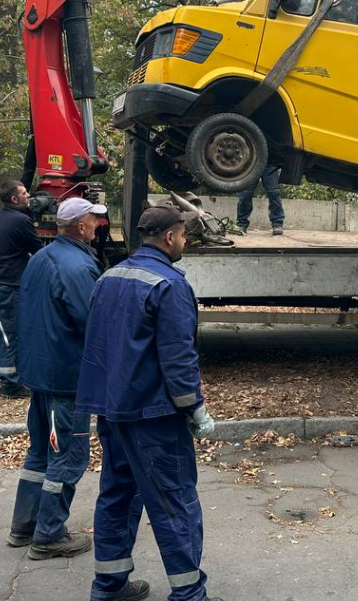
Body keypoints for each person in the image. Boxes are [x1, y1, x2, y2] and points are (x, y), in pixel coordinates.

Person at [77, 203, 224, 601]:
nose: (185, 241)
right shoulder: (169, 284)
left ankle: (108, 587)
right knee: (174, 499)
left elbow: (101, 344)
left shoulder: (109, 277)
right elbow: (178, 356)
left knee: (118, 493)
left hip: (113, 408)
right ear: (170, 237)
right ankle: (189, 593)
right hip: (153, 413)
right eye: (183, 235)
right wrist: (193, 406)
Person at [8, 196, 106, 559]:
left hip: (39, 373)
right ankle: (48, 535)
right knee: (68, 455)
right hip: (67, 376)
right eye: (94, 220)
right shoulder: (78, 267)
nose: (97, 225)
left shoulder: (41, 258)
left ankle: (24, 527)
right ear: (80, 226)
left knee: (40, 453)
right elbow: (92, 323)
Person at [0, 179, 43, 397]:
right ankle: (11, 384)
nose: (29, 196)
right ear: (14, 199)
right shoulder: (21, 221)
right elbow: (38, 249)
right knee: (7, 334)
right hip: (5, 285)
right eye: (24, 193)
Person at [235, 164, 284, 236]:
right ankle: (241, 224)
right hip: (252, 164)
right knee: (245, 194)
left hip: (270, 162)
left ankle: (277, 224)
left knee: (274, 193)